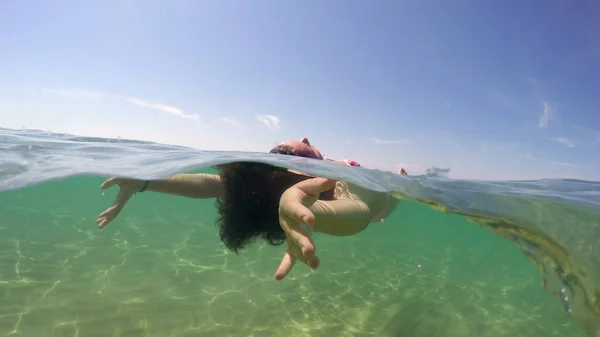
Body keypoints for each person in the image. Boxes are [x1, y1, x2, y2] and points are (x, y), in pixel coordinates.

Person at [96, 137, 397, 280]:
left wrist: (143, 181)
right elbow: (358, 217)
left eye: (281, 150)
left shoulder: (315, 180)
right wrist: (303, 213)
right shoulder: (345, 191)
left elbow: (212, 184)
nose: (305, 138)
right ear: (298, 176)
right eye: (287, 154)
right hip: (388, 200)